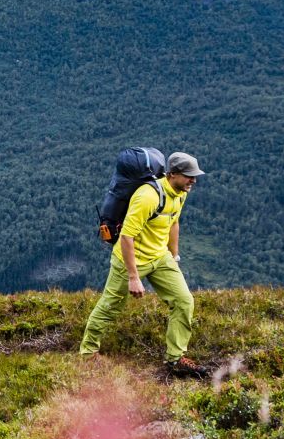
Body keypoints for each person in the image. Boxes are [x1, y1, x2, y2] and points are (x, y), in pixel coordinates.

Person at [79, 151, 210, 378]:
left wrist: (174, 257)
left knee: (184, 301)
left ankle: (175, 358)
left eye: (195, 176)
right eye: (189, 175)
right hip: (130, 260)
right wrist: (133, 277)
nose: (193, 180)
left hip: (159, 257)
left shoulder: (180, 193)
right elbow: (126, 237)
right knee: (110, 306)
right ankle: (88, 354)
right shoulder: (148, 196)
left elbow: (174, 222)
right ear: (172, 174)